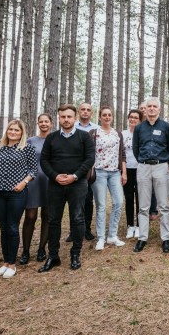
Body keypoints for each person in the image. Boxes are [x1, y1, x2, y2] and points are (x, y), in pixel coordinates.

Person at [37, 104, 95, 272]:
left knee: (77, 219)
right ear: (59, 118)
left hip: (77, 184)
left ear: (75, 118)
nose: (66, 120)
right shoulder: (52, 138)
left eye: (69, 117)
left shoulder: (84, 137)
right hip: (55, 185)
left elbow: (90, 159)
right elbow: (44, 161)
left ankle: (75, 254)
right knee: (53, 220)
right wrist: (55, 176)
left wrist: (74, 176)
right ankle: (53, 256)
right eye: (63, 117)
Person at [0, 120, 37, 279]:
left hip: (17, 193)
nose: (13, 132)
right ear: (7, 131)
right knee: (3, 227)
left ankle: (12, 264)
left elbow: (33, 170)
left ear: (22, 133)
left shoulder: (27, 148)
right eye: (11, 129)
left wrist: (23, 183)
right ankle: (6, 262)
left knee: (13, 227)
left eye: (17, 130)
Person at [132, 97, 169, 253]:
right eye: (148, 106)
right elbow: (135, 148)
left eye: (154, 106)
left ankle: (166, 238)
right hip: (143, 167)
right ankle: (142, 238)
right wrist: (143, 162)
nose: (151, 109)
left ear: (159, 109)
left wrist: (162, 162)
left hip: (160, 167)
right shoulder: (139, 128)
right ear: (145, 109)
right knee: (143, 206)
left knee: (163, 204)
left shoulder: (166, 127)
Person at [92, 106, 127, 251]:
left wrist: (124, 172)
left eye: (109, 115)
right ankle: (100, 238)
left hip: (115, 173)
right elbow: (88, 153)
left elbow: (122, 154)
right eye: (104, 115)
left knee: (118, 202)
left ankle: (112, 235)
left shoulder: (117, 133)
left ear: (112, 117)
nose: (107, 117)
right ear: (100, 117)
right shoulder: (93, 133)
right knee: (101, 206)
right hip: (99, 172)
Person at [20, 113, 52, 264]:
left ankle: (41, 249)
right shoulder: (30, 141)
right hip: (33, 181)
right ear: (38, 123)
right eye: (41, 121)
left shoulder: (55, 139)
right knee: (30, 216)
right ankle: (25, 251)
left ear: (51, 124)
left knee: (47, 215)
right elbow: (23, 161)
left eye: (46, 121)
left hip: (50, 181)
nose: (44, 124)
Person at [75, 102, 99, 242]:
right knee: (74, 201)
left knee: (88, 200)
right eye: (83, 109)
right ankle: (74, 230)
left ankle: (87, 229)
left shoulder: (96, 129)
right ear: (79, 111)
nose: (85, 112)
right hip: (73, 168)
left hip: (89, 169)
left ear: (91, 113)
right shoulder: (72, 127)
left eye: (88, 110)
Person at [122, 109, 143, 239]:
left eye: (136, 117)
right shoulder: (123, 134)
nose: (133, 119)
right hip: (127, 169)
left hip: (141, 169)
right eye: (131, 117)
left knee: (140, 198)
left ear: (140, 120)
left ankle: (140, 226)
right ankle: (130, 225)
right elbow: (121, 154)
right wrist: (122, 171)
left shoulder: (143, 133)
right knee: (129, 198)